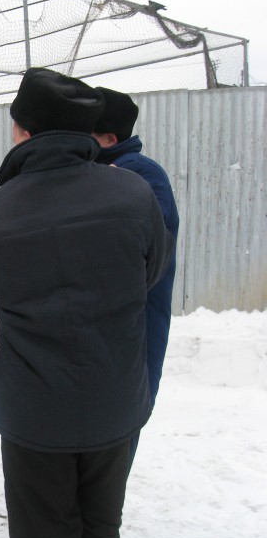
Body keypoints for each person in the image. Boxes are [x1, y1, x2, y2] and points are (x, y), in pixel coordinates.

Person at [0, 69, 174, 538]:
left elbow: (0, 278)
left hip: (34, 414)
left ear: (22, 130)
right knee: (101, 532)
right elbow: (149, 275)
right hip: (114, 401)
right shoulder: (134, 194)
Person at [92, 87, 180, 468]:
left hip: (136, 331)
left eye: (87, 135)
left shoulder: (143, 175)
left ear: (110, 139)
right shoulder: (110, 171)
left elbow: (135, 253)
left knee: (118, 432)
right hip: (109, 333)